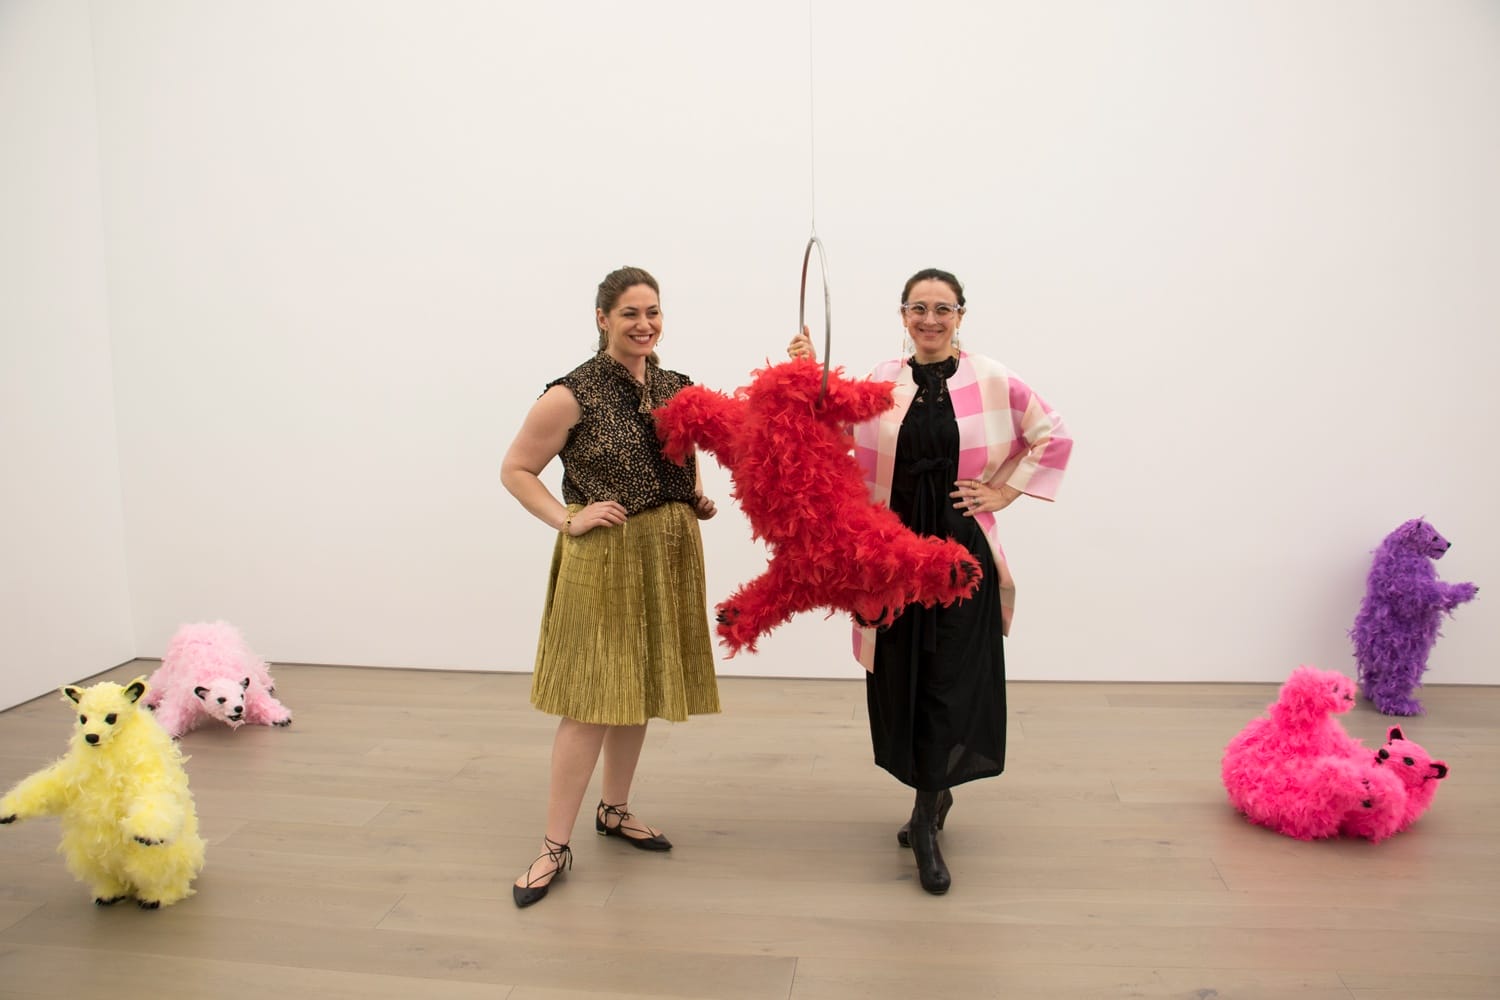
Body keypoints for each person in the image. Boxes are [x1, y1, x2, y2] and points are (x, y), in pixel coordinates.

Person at [787, 267, 1071, 894]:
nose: (931, 319)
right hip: (892, 550)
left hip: (958, 551)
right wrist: (810, 375)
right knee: (902, 670)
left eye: (943, 308)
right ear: (903, 314)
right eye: (919, 308)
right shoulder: (882, 381)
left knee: (948, 673)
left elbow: (1051, 432)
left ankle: (924, 818)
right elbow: (826, 429)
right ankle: (930, 795)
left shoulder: (993, 379)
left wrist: (1004, 491)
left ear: (961, 315)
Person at [501, 265, 721, 908]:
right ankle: (553, 846)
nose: (644, 324)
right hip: (605, 557)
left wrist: (695, 499)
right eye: (630, 313)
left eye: (652, 311)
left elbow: (680, 465)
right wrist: (567, 518)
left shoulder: (678, 387)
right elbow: (516, 469)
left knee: (640, 688)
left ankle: (615, 810)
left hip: (669, 551)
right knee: (593, 697)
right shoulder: (572, 393)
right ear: (602, 318)